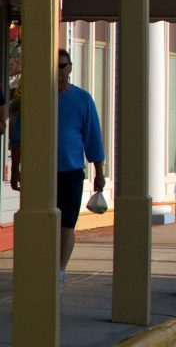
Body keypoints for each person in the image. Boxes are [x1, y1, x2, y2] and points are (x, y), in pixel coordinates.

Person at [11, 49, 105, 286]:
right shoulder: (35, 98)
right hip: (41, 173)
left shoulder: (83, 99)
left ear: (70, 68)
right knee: (40, 222)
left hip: (71, 172)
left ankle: (59, 271)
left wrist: (99, 173)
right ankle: (40, 268)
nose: (59, 71)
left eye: (63, 66)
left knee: (66, 225)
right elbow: (18, 137)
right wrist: (15, 170)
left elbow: (93, 138)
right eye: (55, 67)